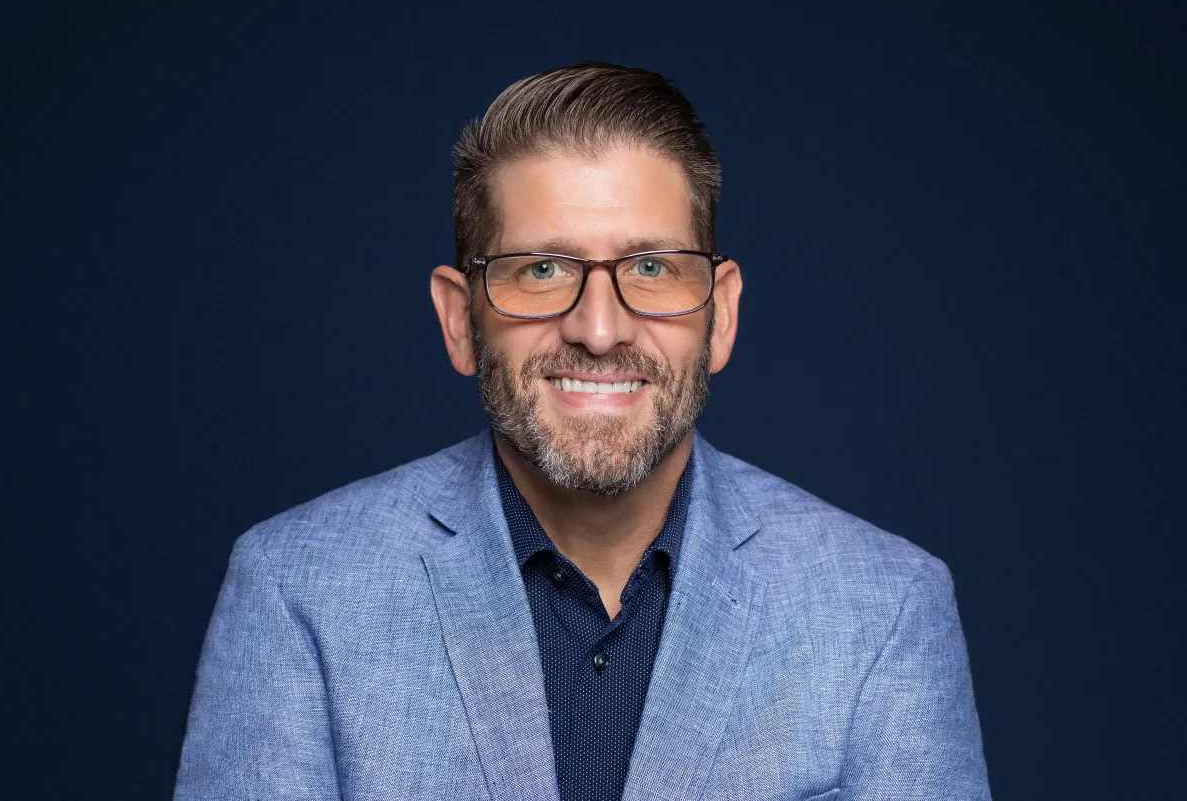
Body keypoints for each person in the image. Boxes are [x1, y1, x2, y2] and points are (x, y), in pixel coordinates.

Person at [174, 62, 991, 801]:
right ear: (460, 320)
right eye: (542, 269)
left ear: (722, 314)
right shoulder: (298, 593)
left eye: (651, 267)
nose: (599, 330)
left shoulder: (884, 610)